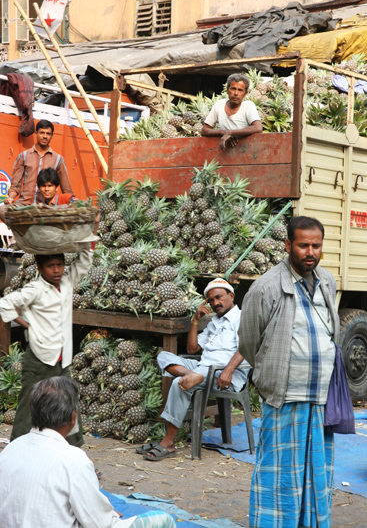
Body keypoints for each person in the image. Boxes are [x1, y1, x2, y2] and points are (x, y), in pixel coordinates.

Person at [238, 216, 339, 528]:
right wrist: (272, 373)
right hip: (285, 398)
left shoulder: (327, 281)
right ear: (288, 246)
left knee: (316, 475)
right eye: (303, 245)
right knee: (279, 477)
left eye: (316, 245)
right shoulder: (266, 287)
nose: (310, 251)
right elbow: (249, 343)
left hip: (320, 399)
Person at [0, 376, 175, 528]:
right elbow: (100, 524)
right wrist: (106, 514)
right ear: (72, 417)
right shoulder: (73, 460)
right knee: (163, 520)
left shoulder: (11, 449)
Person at [137, 278, 250, 461]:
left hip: (224, 373)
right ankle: (191, 375)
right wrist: (195, 320)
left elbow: (246, 347)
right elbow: (192, 350)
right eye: (211, 300)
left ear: (231, 295)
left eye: (219, 297)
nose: (215, 303)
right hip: (202, 368)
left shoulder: (243, 318)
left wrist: (228, 371)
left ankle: (168, 442)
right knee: (163, 356)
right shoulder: (215, 322)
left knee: (178, 384)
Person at [0, 241, 96, 446]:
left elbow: (84, 261)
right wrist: (27, 325)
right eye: (51, 266)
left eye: (60, 265)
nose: (56, 270)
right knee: (29, 406)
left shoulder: (67, 283)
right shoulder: (35, 289)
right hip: (38, 359)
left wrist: (92, 232)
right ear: (40, 268)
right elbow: (5, 304)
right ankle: (16, 448)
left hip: (63, 358)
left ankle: (75, 451)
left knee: (70, 404)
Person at [0, 119, 74, 220]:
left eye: (48, 134)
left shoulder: (58, 159)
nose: (45, 136)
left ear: (52, 136)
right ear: (36, 133)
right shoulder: (23, 156)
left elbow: (67, 190)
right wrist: (11, 198)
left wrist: (76, 204)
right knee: (2, 210)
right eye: (42, 133)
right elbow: (14, 187)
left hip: (46, 208)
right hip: (24, 205)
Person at [201, 73, 262, 151]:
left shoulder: (248, 106)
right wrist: (224, 133)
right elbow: (204, 130)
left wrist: (231, 133)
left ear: (245, 94)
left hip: (245, 151)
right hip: (221, 152)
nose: (236, 93)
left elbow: (258, 128)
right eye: (233, 89)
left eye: (240, 90)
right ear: (227, 90)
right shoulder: (219, 104)